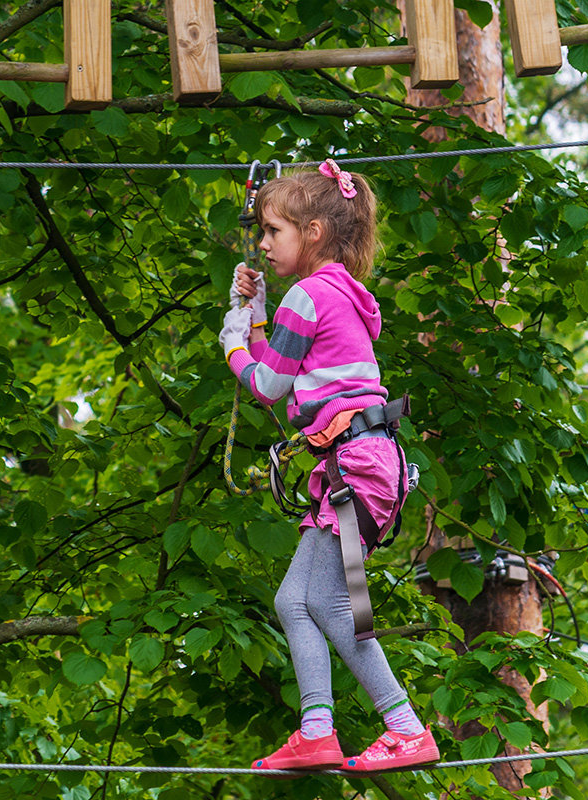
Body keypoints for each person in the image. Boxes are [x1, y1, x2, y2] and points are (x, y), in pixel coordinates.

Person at [218, 159, 440, 774]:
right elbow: (291, 384)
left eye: (273, 232)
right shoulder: (331, 294)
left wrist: (233, 341)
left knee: (335, 606)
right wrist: (259, 314)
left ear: (312, 232)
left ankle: (404, 727)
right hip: (360, 469)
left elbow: (265, 385)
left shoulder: (310, 296)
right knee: (297, 602)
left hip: (356, 471)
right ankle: (317, 729)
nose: (262, 244)